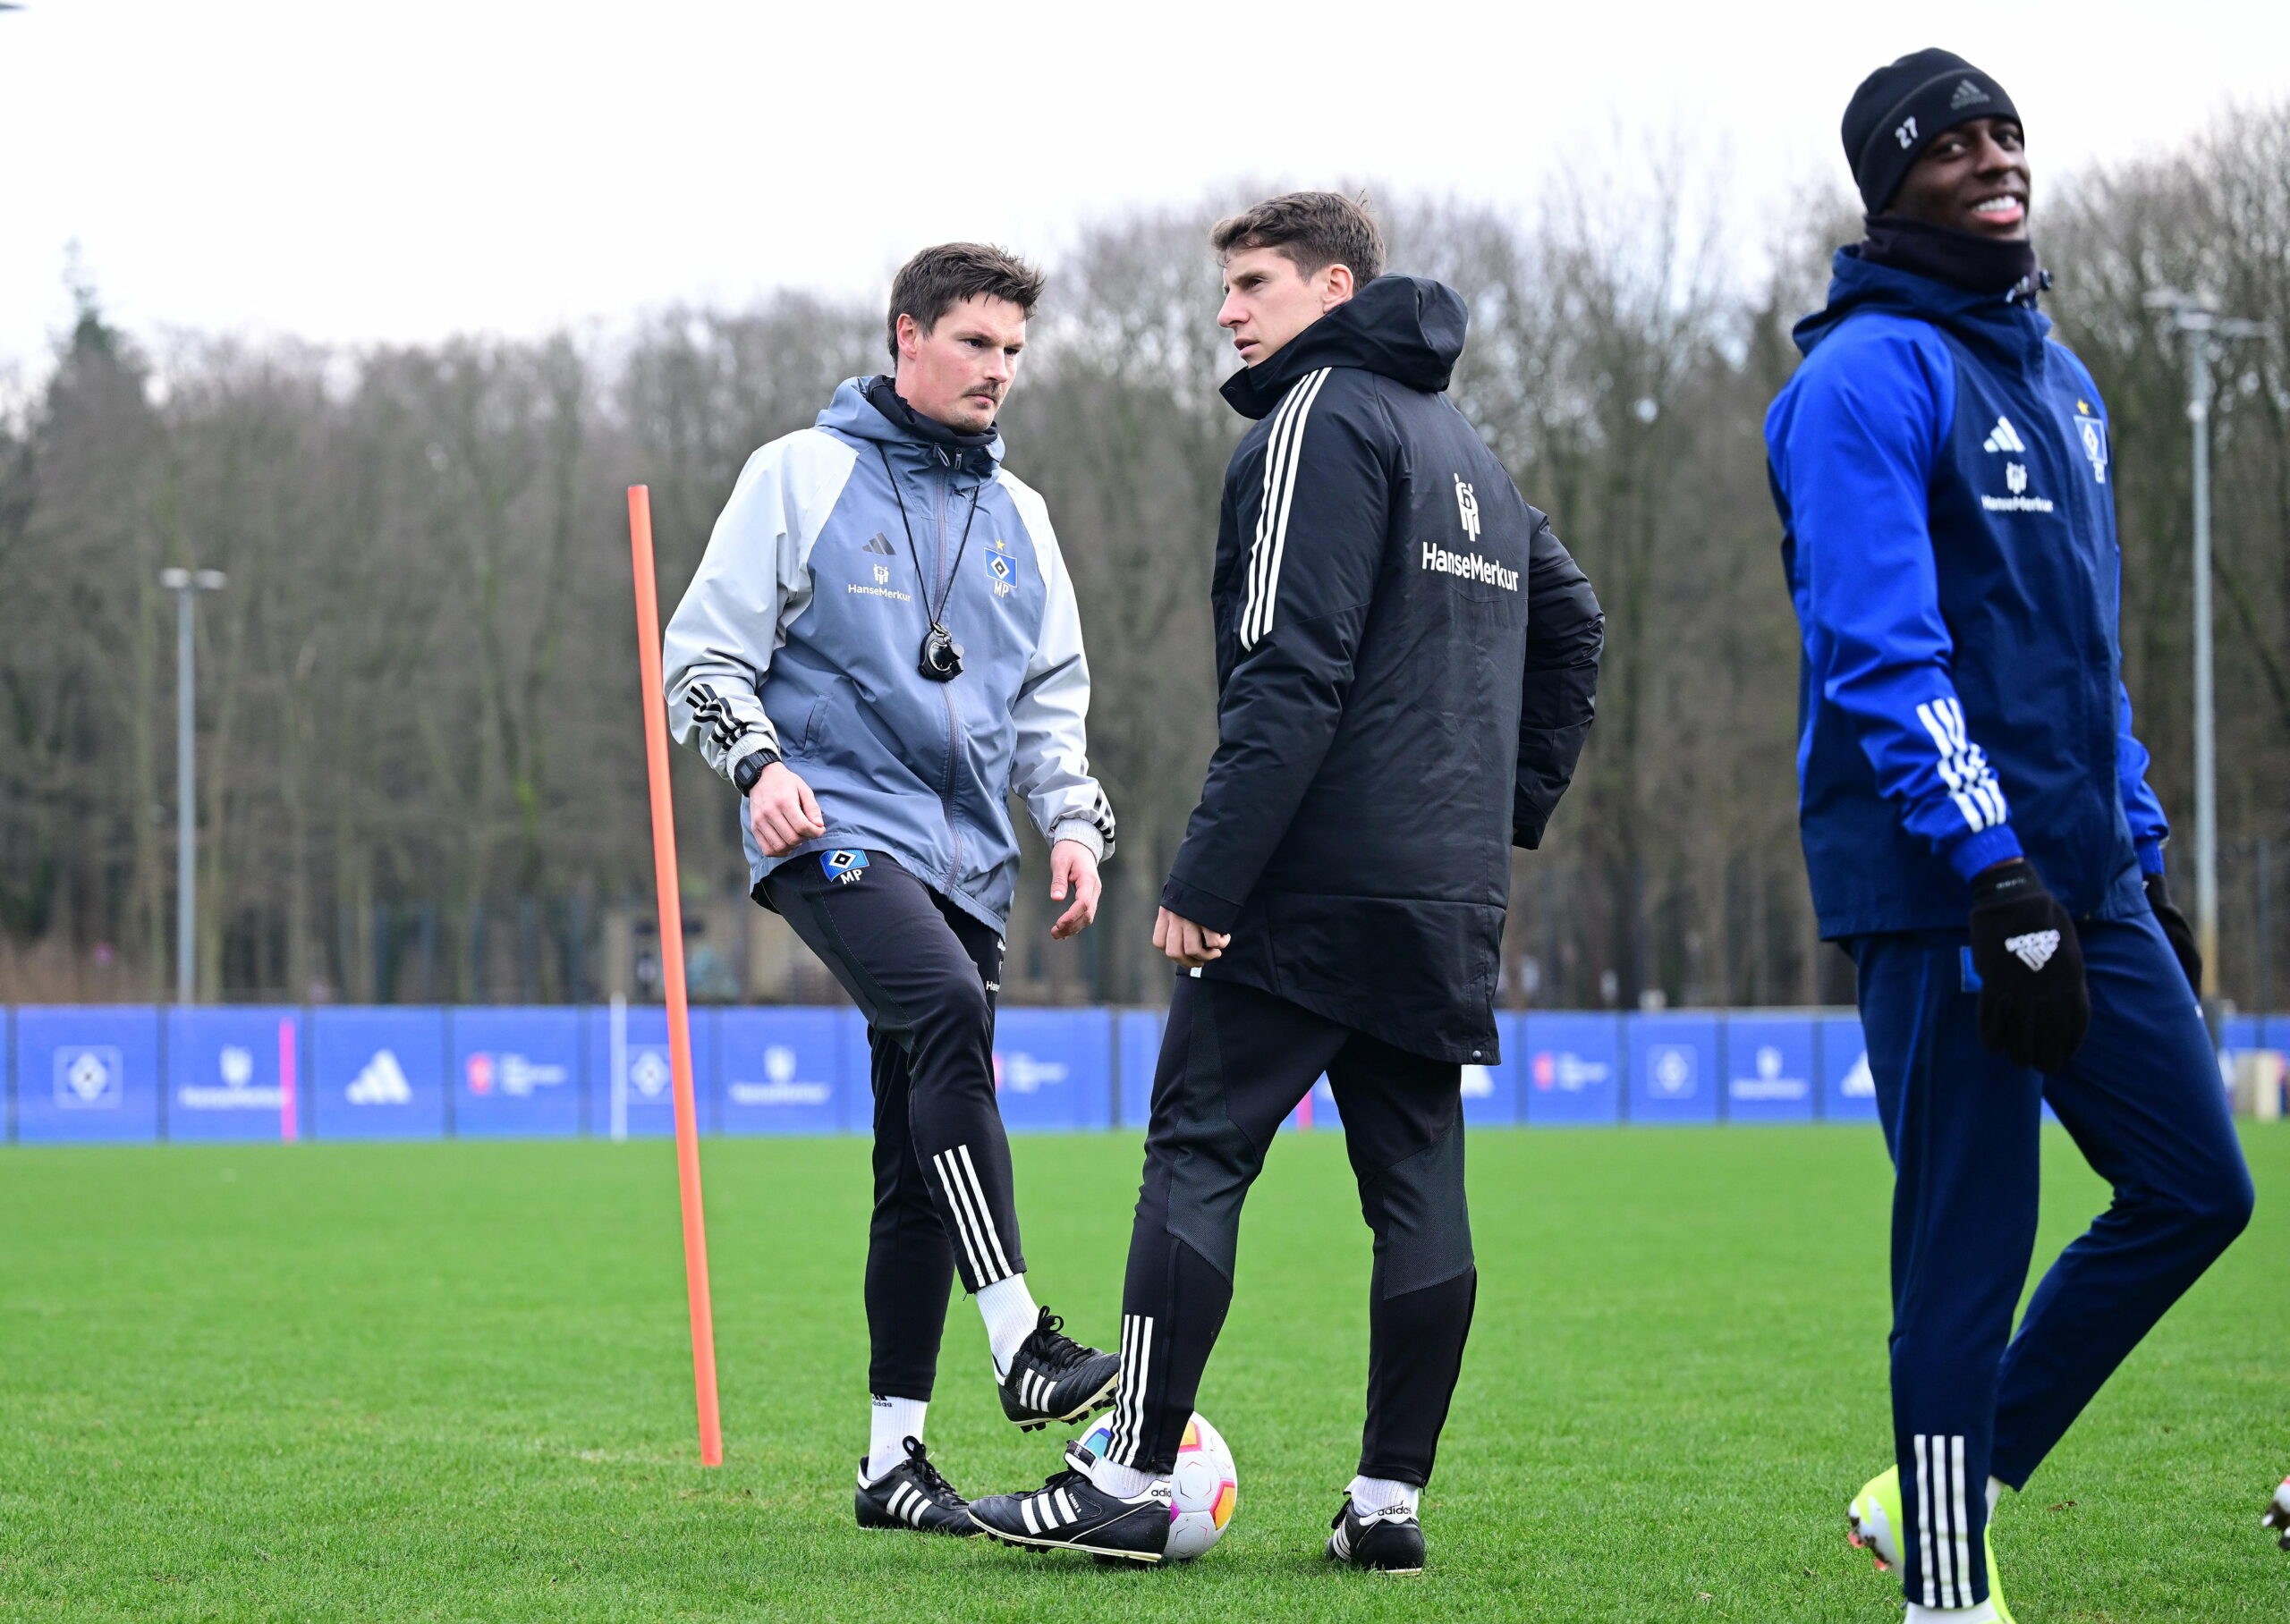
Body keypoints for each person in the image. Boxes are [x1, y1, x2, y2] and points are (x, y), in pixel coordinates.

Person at [968, 192, 1604, 1569]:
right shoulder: (1474, 456)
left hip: (1307, 883)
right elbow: (1577, 630)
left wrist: (1209, 873)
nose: (1227, 311)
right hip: (1441, 900)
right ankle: (1388, 1506)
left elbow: (1289, 675)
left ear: (1332, 288)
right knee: (1419, 1186)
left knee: (1197, 1152)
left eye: (1251, 283)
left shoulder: (1317, 417)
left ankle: (1131, 1475)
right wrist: (1491, 817)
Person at [1765, 50, 2255, 1623]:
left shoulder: (2065, 379)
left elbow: (2087, 658)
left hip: (2080, 876)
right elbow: (1881, 654)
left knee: (2197, 1189)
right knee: (1969, 1246)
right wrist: (1993, 874)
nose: (1992, 158)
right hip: (1942, 885)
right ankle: (1950, 1590)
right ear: (1886, 185)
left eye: (2007, 134)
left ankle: (1938, 1500)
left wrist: (2139, 862)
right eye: (1951, 143)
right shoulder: (1860, 379)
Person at [663, 242, 1124, 1537]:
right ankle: (1022, 1340)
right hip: (831, 831)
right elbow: (700, 656)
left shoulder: (1024, 518)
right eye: (977, 343)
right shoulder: (798, 475)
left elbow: (1050, 706)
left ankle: (891, 1461)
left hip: (970, 860)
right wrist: (755, 768)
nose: (999, 373)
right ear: (906, 334)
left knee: (914, 1158)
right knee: (942, 1015)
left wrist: (1073, 824)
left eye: (1015, 352)